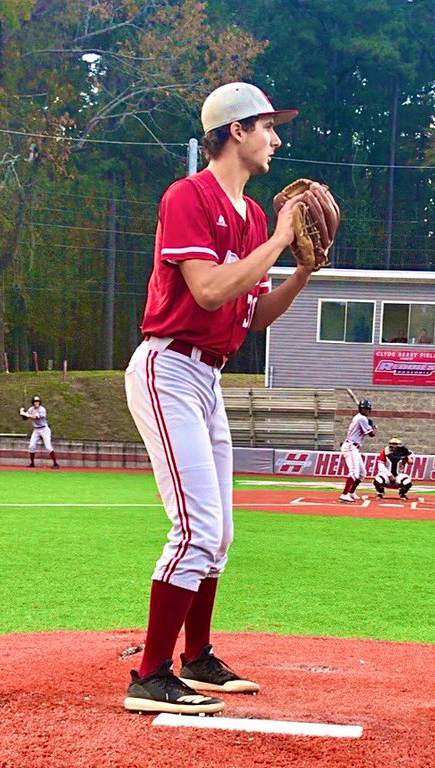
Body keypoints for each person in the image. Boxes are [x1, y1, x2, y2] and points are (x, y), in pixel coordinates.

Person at [123, 81, 319, 716]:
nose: (276, 138)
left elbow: (252, 311)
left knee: (221, 531)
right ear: (236, 131)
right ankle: (150, 674)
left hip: (208, 377)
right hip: (168, 368)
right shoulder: (189, 196)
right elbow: (207, 291)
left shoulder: (256, 217)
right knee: (196, 526)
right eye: (267, 126)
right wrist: (280, 241)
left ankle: (197, 656)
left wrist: (302, 271)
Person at [339, 397, 376, 503]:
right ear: (360, 409)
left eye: (367, 409)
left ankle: (351, 492)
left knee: (362, 473)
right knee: (354, 472)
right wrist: (374, 426)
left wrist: (370, 425)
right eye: (364, 408)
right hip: (350, 446)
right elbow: (371, 434)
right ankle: (344, 494)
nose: (366, 410)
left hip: (354, 447)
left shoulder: (361, 418)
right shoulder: (361, 418)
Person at [20, 396, 59, 469]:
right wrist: (22, 413)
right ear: (33, 403)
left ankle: (55, 464)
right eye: (35, 402)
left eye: (38, 401)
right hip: (36, 430)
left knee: (48, 446)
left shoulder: (42, 409)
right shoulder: (31, 409)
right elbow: (25, 419)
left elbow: (35, 417)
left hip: (44, 429)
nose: (36, 403)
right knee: (31, 446)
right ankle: (32, 463)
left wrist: (26, 414)